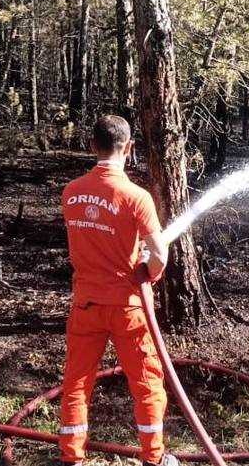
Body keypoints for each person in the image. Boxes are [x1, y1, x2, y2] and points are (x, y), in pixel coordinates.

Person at [58, 115, 177, 466]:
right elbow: (159, 254)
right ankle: (154, 459)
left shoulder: (70, 193)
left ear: (93, 146)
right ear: (129, 148)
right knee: (146, 383)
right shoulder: (136, 197)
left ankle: (71, 458)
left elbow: (92, 237)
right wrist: (147, 271)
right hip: (128, 306)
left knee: (77, 383)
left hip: (85, 304)